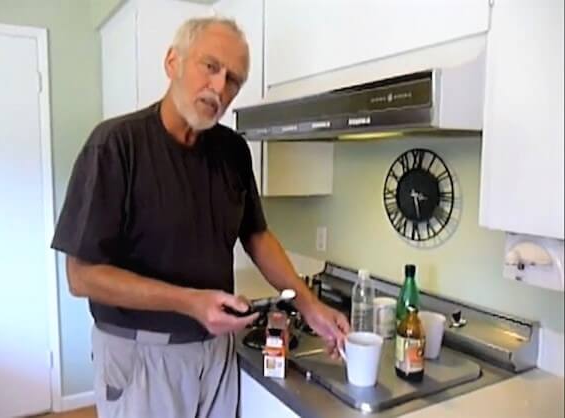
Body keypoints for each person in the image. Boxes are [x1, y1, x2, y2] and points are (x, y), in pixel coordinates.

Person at [52, 16, 349, 418]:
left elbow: (257, 235)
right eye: (210, 67)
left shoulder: (232, 151)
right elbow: (81, 275)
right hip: (142, 356)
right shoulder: (115, 146)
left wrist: (310, 304)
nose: (219, 88)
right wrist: (189, 302)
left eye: (233, 80)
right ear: (173, 62)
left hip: (216, 352)